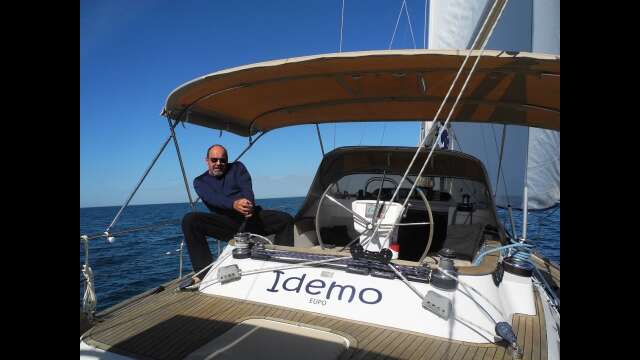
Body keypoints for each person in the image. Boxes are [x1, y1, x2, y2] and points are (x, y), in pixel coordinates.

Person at [181, 144, 293, 283]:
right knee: (190, 220)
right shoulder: (200, 182)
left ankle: (283, 264)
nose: (218, 163)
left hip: (252, 217)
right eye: (214, 160)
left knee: (286, 219)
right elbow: (213, 198)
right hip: (228, 224)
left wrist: (248, 204)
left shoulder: (237, 168)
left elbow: (247, 188)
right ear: (207, 161)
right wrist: (233, 204)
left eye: (222, 160)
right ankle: (203, 273)